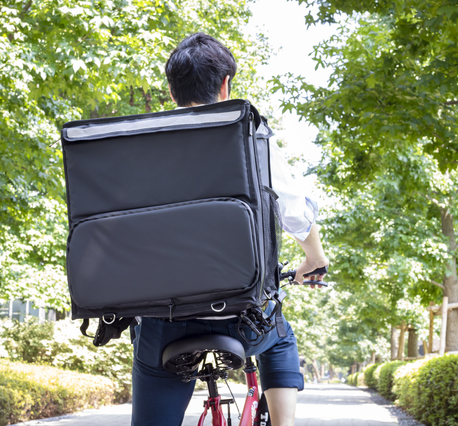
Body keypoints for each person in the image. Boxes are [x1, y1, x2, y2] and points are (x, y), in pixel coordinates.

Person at [130, 32, 329, 426]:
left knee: (150, 354)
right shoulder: (251, 137)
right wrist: (314, 258)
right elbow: (293, 211)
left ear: (172, 92)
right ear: (225, 86)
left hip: (164, 323)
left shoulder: (136, 147)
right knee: (279, 336)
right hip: (243, 318)